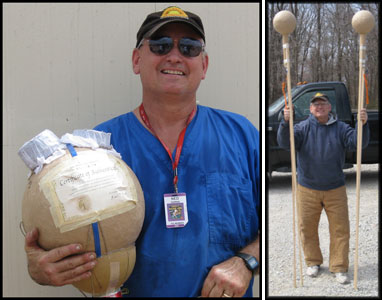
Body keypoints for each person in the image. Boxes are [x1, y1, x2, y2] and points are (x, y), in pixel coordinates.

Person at [24, 6, 260, 297]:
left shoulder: (242, 135)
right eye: (160, 45)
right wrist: (39, 267)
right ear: (137, 60)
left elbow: (273, 227)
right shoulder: (96, 150)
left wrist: (247, 260)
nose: (175, 56)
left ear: (205, 65)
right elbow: (60, 237)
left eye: (189, 47)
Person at [277, 92, 369, 284]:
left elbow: (358, 143)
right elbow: (286, 143)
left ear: (329, 108)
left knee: (340, 229)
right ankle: (313, 262)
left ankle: (339, 267)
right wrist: (285, 122)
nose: (319, 106)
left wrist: (363, 125)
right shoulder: (302, 128)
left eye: (323, 103)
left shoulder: (341, 128)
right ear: (310, 109)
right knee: (307, 228)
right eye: (315, 104)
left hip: (335, 188)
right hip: (307, 188)